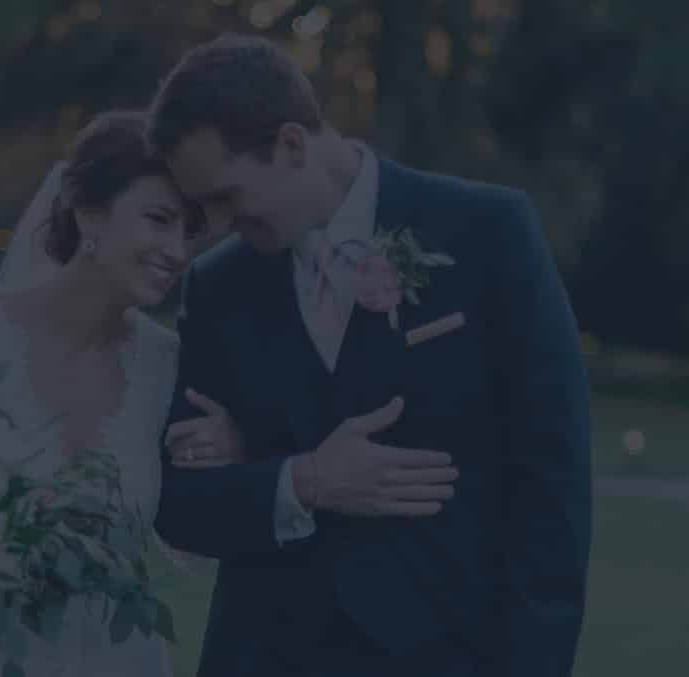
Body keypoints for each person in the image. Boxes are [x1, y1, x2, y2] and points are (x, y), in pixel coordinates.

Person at [151, 33, 593, 677]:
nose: (213, 226)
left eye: (225, 196)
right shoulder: (218, 287)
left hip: (447, 655)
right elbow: (179, 503)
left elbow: (553, 485)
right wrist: (299, 482)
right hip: (263, 656)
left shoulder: (490, 233)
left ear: (292, 145)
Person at [0, 111, 212, 677]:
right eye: (160, 219)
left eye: (190, 230)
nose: (178, 249)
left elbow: (193, 543)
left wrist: (222, 456)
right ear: (90, 212)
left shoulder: (169, 366)